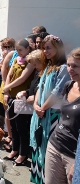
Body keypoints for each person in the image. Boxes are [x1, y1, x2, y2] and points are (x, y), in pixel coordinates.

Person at [30, 35, 71, 184]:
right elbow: (39, 88)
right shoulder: (48, 67)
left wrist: (42, 108)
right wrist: (36, 105)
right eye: (44, 48)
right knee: (39, 144)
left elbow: (57, 92)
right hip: (41, 111)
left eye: (48, 48)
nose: (45, 51)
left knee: (48, 149)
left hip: (52, 115)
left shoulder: (64, 68)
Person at [44, 48, 80, 184]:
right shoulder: (68, 85)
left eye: (75, 66)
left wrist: (77, 164)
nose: (70, 69)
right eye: (69, 65)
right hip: (55, 144)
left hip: (74, 154)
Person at [2, 39, 35, 164]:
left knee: (21, 127)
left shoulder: (30, 62)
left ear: (27, 49)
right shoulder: (16, 60)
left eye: (20, 50)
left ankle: (23, 154)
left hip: (22, 99)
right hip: (11, 96)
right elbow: (9, 75)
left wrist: (6, 87)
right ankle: (14, 149)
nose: (18, 52)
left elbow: (23, 78)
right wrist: (6, 91)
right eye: (17, 50)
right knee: (13, 125)